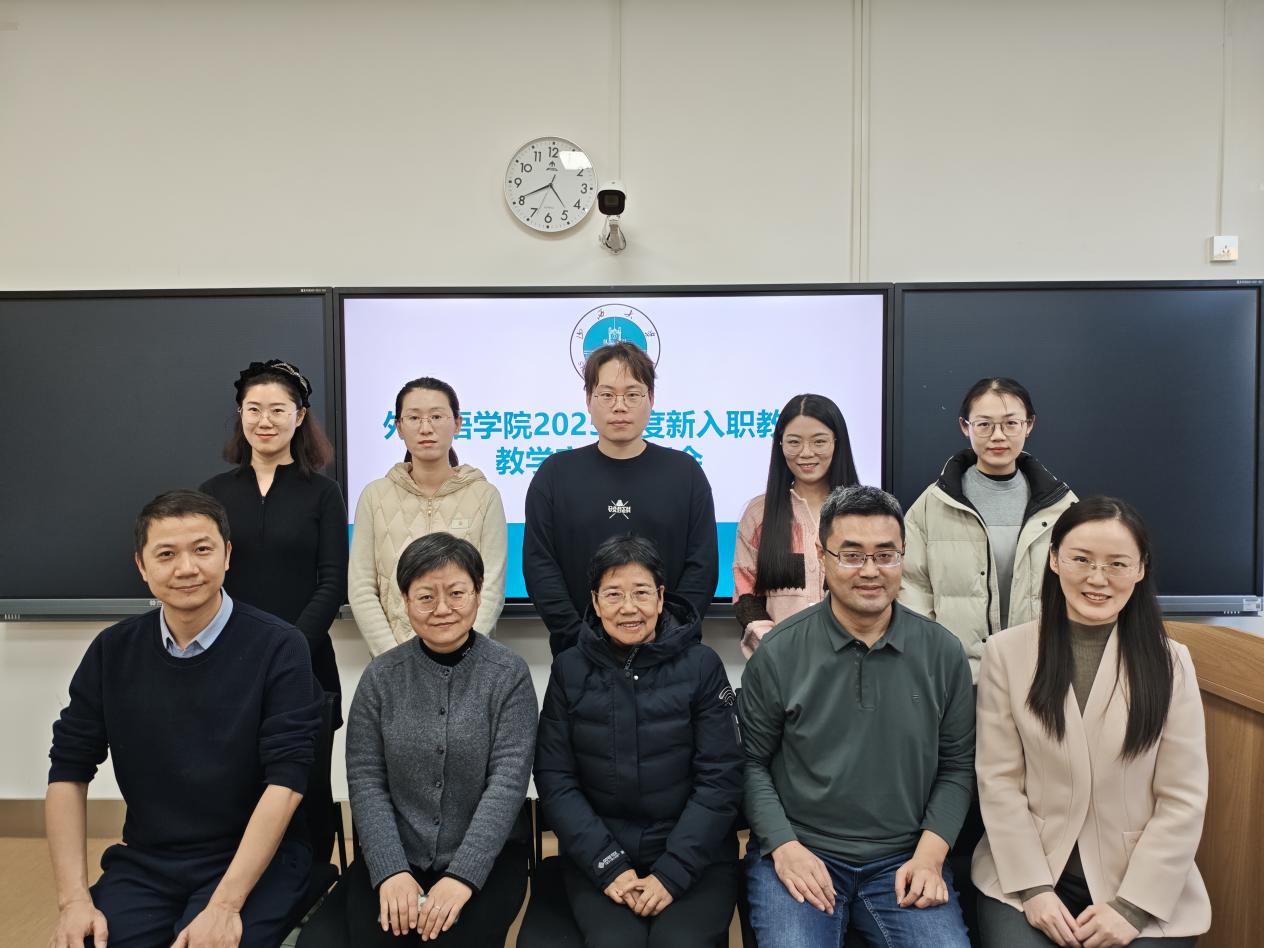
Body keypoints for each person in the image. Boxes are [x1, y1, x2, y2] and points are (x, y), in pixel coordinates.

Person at [46, 490, 322, 948]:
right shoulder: (112, 651)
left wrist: (225, 906)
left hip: (256, 860)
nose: (186, 568)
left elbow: (287, 781)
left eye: (202, 549)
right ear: (141, 565)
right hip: (149, 861)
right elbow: (67, 770)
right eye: (166, 554)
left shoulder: (279, 646)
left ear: (227, 555)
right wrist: (73, 900)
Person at [739, 484, 975, 948]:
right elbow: (750, 764)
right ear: (822, 558)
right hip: (803, 851)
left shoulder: (943, 652)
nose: (870, 571)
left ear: (903, 557)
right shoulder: (780, 652)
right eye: (851, 555)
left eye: (885, 555)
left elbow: (957, 767)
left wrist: (929, 857)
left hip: (904, 857)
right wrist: (783, 846)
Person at [973, 497, 1210, 948]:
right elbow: (999, 782)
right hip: (1029, 873)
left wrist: (1132, 908)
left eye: (1117, 564)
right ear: (1054, 559)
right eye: (1081, 559)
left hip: (1139, 882)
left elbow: (1183, 798)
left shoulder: (1172, 663)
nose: (1097, 579)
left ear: (1140, 570)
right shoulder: (1006, 653)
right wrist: (1035, 890)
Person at [319, 532, 536, 948]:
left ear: (477, 594)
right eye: (425, 597)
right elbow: (365, 780)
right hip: (396, 854)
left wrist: (462, 876)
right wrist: (390, 870)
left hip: (488, 858)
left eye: (456, 593)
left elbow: (507, 784)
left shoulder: (508, 675)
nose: (442, 609)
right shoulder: (381, 677)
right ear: (405, 600)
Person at [535, 534, 743, 948]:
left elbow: (720, 779)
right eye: (613, 594)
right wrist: (608, 864)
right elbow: (555, 780)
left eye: (641, 593)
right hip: (600, 856)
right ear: (595, 603)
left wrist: (673, 872)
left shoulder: (702, 666)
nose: (628, 607)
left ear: (661, 598)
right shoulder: (569, 669)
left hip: (696, 855)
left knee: (680, 943)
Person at [524, 342, 719, 656]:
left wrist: (668, 635)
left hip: (670, 656)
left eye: (632, 394)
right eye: (607, 395)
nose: (619, 406)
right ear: (588, 400)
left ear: (650, 399)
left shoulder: (685, 473)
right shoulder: (554, 474)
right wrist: (580, 638)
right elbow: (540, 566)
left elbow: (702, 567)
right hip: (578, 656)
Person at [901, 377, 1076, 680]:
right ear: (965, 426)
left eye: (1010, 424)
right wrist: (932, 653)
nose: (998, 436)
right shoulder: (933, 504)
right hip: (957, 675)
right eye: (984, 425)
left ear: (1029, 425)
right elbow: (911, 585)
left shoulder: (1061, 506)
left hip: (1040, 672)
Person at [201, 358, 347, 712]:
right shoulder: (212, 493)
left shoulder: (324, 493)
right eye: (253, 409)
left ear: (299, 416)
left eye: (278, 410)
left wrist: (293, 646)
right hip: (226, 656)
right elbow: (204, 576)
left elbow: (333, 582)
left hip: (305, 659)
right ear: (241, 414)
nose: (264, 421)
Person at [349, 377, 507, 656]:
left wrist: (464, 649)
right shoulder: (375, 496)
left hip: (470, 659)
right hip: (393, 660)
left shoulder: (485, 496)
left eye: (436, 416)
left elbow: (491, 587)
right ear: (399, 427)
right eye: (413, 418)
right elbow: (362, 588)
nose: (426, 428)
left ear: (457, 424)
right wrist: (394, 658)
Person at [733, 393, 859, 657]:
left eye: (819, 441)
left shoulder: (865, 511)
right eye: (794, 442)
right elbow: (746, 596)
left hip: (853, 660)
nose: (806, 453)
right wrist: (775, 648)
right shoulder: (759, 514)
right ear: (780, 444)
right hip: (781, 662)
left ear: (837, 442)